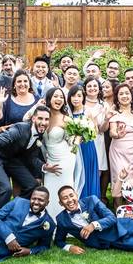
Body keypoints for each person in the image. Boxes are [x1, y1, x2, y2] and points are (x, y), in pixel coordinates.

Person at [0, 108, 51, 210]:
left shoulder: (40, 134)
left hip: (10, 158)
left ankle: (14, 210)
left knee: (32, 185)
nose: (43, 122)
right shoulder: (20, 128)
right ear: (33, 118)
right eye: (40, 118)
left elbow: (31, 157)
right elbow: (1, 138)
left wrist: (43, 166)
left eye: (46, 119)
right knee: (6, 189)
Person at [39, 87, 81, 216]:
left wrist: (77, 139)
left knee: (65, 188)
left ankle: (67, 218)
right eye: (55, 96)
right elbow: (26, 119)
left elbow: (73, 140)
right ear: (49, 99)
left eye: (61, 97)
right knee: (49, 187)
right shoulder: (43, 117)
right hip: (49, 158)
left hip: (65, 159)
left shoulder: (66, 119)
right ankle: (50, 218)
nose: (59, 99)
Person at [108, 83, 133, 206]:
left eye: (127, 93)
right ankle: (118, 208)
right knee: (119, 178)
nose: (124, 96)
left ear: (131, 96)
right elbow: (112, 132)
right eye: (121, 94)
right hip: (118, 151)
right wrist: (118, 134)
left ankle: (130, 208)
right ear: (117, 97)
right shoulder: (114, 111)